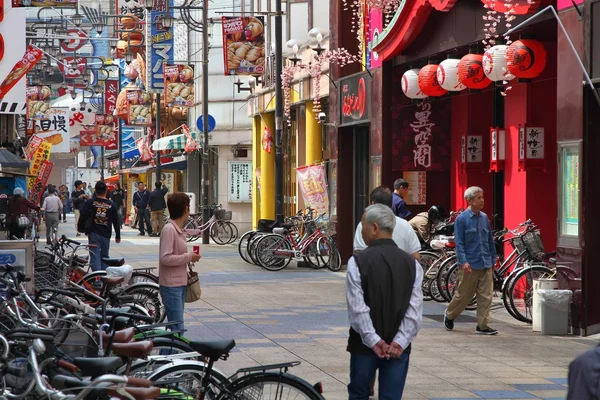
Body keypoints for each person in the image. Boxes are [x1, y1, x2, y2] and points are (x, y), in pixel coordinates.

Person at [346, 204, 423, 400]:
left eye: (363, 226)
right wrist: (399, 342)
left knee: (359, 394)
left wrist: (374, 340)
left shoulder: (358, 261)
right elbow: (414, 312)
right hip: (399, 348)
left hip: (364, 346)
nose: (361, 231)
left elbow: (358, 310)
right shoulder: (412, 265)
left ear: (374, 227)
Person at [443, 186, 498, 335]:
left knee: (486, 296)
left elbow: (489, 240)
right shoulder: (461, 219)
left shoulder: (485, 218)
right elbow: (459, 243)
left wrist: (493, 258)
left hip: (485, 262)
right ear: (469, 200)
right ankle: (450, 314)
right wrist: (463, 261)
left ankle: (483, 325)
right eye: (479, 198)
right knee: (464, 295)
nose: (482, 200)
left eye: (482, 197)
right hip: (470, 264)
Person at [159, 192, 201, 332]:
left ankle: (169, 353)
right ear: (185, 209)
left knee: (175, 327)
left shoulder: (176, 228)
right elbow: (165, 258)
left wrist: (189, 257)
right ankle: (171, 353)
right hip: (172, 285)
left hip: (178, 283)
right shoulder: (169, 229)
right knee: (177, 328)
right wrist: (188, 257)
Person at [354, 186, 421, 260]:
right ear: (392, 204)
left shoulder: (364, 225)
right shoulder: (405, 225)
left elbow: (359, 255)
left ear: (372, 204)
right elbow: (416, 257)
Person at [80, 181, 121, 272]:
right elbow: (116, 221)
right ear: (106, 191)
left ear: (95, 190)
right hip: (106, 233)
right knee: (105, 257)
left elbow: (82, 213)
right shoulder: (111, 205)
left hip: (93, 232)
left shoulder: (90, 202)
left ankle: (97, 279)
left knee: (94, 255)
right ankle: (104, 278)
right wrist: (118, 235)